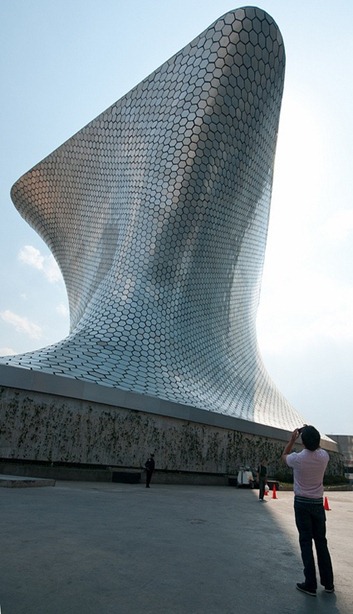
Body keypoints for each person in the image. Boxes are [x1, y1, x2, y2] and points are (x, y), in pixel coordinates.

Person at [282, 425, 334, 596]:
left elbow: (284, 456)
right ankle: (328, 583)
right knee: (321, 542)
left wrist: (291, 440)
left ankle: (310, 584)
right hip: (318, 504)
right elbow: (316, 447)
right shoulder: (324, 456)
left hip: (302, 503)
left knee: (306, 542)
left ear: (302, 441)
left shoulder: (297, 459)